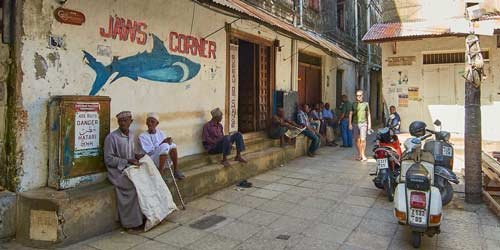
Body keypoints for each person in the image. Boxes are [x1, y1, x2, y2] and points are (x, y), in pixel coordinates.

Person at [104, 111, 145, 232]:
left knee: (145, 181)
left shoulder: (132, 135)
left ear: (130, 122)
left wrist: (137, 157)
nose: (122, 123)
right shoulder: (111, 137)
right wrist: (127, 160)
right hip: (117, 172)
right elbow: (108, 159)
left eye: (125, 121)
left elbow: (132, 153)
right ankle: (130, 224)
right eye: (120, 121)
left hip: (129, 168)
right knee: (132, 187)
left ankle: (144, 217)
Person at [139, 112, 184, 180]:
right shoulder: (142, 136)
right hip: (151, 160)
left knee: (173, 145)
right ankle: (160, 173)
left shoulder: (161, 133)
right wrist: (163, 143)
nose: (150, 123)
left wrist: (169, 142)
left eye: (152, 122)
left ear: (157, 124)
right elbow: (150, 152)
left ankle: (176, 170)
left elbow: (167, 147)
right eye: (148, 122)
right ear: (146, 123)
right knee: (165, 146)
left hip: (164, 159)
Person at [349, 90, 371, 161]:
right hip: (355, 123)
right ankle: (360, 154)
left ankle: (363, 154)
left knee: (363, 139)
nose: (358, 97)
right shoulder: (353, 104)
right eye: (357, 95)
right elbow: (350, 114)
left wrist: (369, 124)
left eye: (360, 95)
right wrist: (350, 124)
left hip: (363, 124)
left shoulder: (366, 104)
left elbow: (368, 115)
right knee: (357, 140)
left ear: (362, 96)